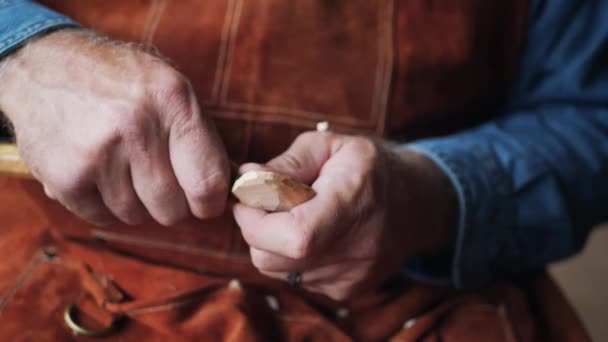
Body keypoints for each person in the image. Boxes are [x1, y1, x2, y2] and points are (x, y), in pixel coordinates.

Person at [0, 0, 605, 340]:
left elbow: (590, 117)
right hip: (48, 270)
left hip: (410, 304)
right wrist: (22, 58)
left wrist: (428, 194)